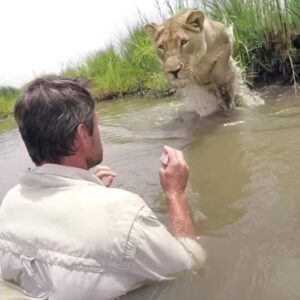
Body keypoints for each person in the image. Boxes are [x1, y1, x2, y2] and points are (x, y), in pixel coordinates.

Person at [0, 77, 205, 300]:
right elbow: (190, 265)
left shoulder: (10, 202)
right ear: (81, 134)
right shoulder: (123, 214)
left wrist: (89, 189)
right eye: (97, 124)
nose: (100, 131)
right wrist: (175, 193)